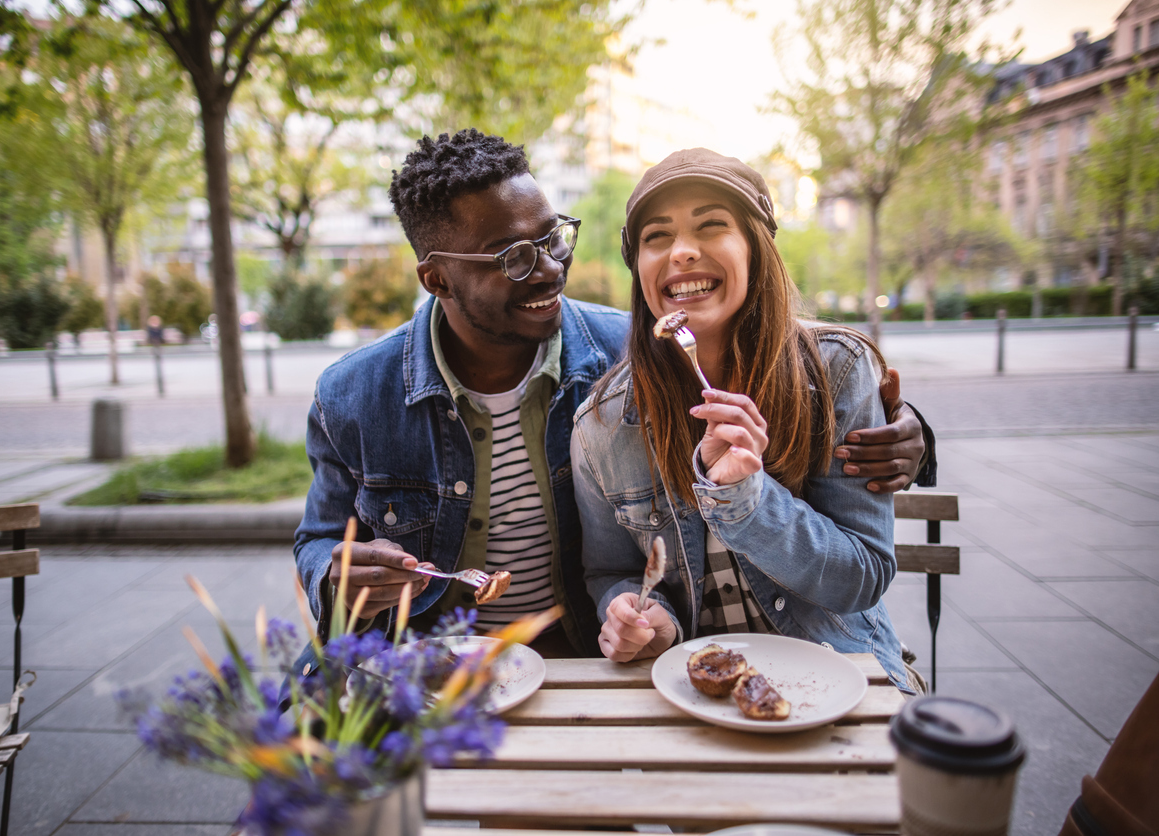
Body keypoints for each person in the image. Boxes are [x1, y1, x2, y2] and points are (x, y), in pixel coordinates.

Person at [293, 131, 931, 661]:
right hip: (421, 664)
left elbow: (780, 367)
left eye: (553, 239)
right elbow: (319, 538)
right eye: (513, 257)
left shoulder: (619, 354)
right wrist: (335, 574)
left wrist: (911, 437)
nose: (548, 269)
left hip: (578, 658)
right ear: (437, 278)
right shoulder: (354, 396)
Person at [571, 148, 918, 691]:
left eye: (712, 226)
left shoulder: (836, 372)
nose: (682, 251)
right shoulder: (602, 424)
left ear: (756, 248)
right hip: (694, 690)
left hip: (838, 674)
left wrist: (749, 501)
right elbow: (609, 572)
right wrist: (641, 618)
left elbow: (863, 576)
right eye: (656, 236)